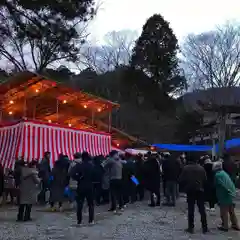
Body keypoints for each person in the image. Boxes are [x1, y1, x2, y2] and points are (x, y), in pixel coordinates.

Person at [179, 154, 208, 234]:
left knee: (191, 209)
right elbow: (205, 179)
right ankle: (205, 227)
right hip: (200, 190)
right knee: (202, 209)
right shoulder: (201, 168)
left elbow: (181, 179)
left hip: (190, 190)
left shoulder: (186, 168)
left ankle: (191, 227)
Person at [213, 161, 240, 232]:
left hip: (224, 195)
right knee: (231, 211)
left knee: (224, 212)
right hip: (230, 193)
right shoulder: (224, 173)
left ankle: (225, 226)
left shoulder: (217, 175)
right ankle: (235, 225)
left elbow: (216, 184)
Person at [70, 151, 95, 225]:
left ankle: (79, 221)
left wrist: (78, 178)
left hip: (81, 186)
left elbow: (71, 174)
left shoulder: (78, 165)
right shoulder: (91, 165)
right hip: (90, 186)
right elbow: (96, 175)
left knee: (80, 204)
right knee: (90, 204)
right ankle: (91, 221)